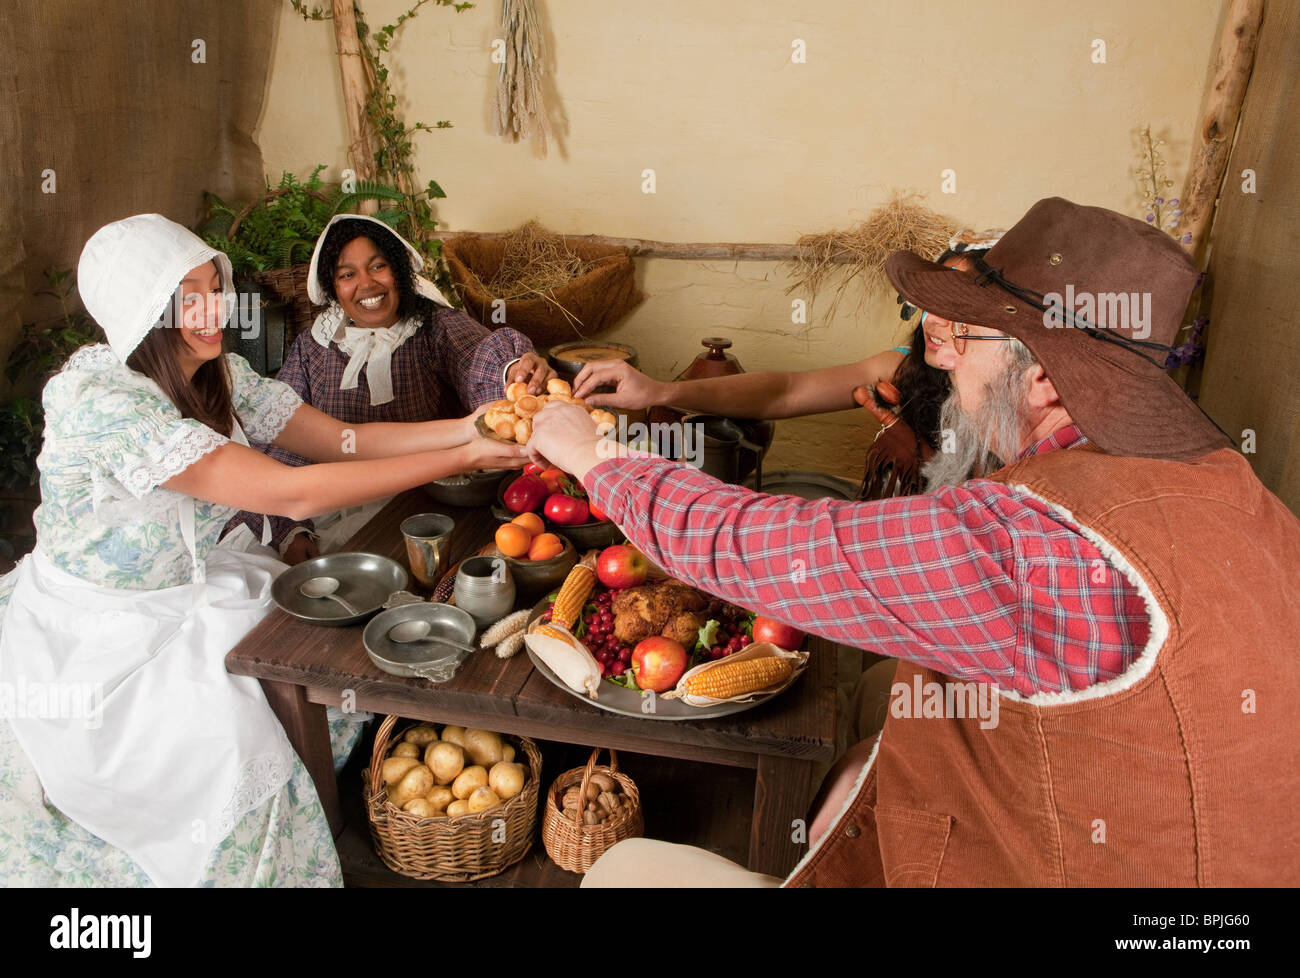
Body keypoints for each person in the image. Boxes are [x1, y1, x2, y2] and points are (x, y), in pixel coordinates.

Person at [528, 197, 1300, 887]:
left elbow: (755, 546)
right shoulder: (1234, 493)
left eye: (973, 334)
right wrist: (884, 766)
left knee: (622, 869)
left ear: (1046, 382)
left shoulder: (1035, 540)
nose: (947, 351)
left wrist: (594, 457)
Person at [0, 214, 527, 887]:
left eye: (212, 286)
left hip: (193, 584)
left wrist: (467, 427)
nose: (211, 308)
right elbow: (292, 495)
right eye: (185, 296)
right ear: (141, 310)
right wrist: (462, 456)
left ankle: (333, 792)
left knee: (318, 647)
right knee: (232, 742)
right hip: (105, 632)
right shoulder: (107, 406)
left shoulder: (215, 368)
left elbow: (341, 440)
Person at [224, 214, 555, 564]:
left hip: (428, 498)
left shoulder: (435, 327)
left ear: (398, 271)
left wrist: (512, 371)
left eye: (378, 266)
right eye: (347, 274)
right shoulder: (314, 347)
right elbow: (285, 434)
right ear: (333, 287)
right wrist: (290, 527)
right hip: (334, 502)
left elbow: (478, 360)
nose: (366, 284)